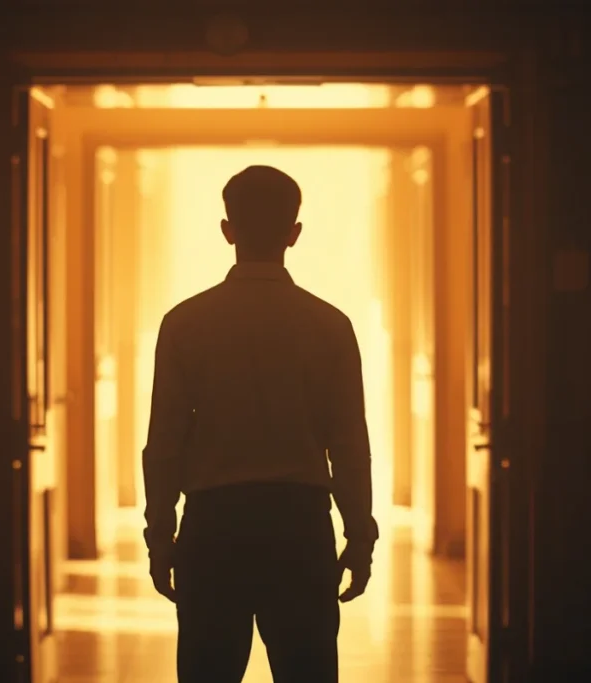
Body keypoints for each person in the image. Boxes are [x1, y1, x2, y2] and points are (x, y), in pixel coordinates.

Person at [142, 164, 379, 683]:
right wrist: (359, 533)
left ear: (227, 230)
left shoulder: (184, 323)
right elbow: (348, 444)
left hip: (214, 526)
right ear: (294, 233)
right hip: (298, 527)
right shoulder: (330, 325)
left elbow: (165, 444)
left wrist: (160, 533)